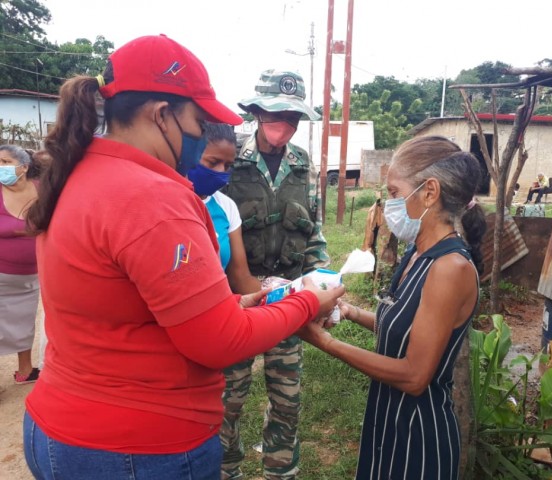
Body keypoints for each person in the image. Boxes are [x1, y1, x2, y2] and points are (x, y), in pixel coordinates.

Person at [22, 34, 343, 480]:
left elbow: (130, 305)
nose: (201, 136)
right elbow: (220, 342)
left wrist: (234, 303)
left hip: (64, 428)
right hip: (137, 448)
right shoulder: (151, 197)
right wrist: (307, 301)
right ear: (161, 114)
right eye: (198, 121)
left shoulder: (78, 174)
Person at [297, 135, 487, 480]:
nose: (389, 206)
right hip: (389, 418)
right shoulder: (417, 254)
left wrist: (326, 343)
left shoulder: (450, 268)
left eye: (395, 193)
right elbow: (407, 326)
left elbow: (414, 376)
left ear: (429, 192)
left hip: (419, 435)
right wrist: (350, 311)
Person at [221, 69, 328, 480]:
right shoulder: (229, 158)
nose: (284, 124)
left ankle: (280, 471)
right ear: (257, 113)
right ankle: (225, 470)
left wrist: (320, 281)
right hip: (237, 301)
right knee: (227, 399)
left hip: (288, 296)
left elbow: (313, 230)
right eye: (276, 114)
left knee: (287, 400)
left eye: (292, 117)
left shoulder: (302, 164)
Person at [187, 122, 261, 293]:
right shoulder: (169, 203)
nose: (221, 172)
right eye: (213, 162)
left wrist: (286, 294)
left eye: (227, 166)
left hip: (219, 304)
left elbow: (240, 278)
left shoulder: (226, 206)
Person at [0, 145, 41, 384]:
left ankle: (25, 370)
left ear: (24, 167)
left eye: (5, 162)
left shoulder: (42, 189)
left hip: (30, 277)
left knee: (24, 321)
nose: (0, 167)